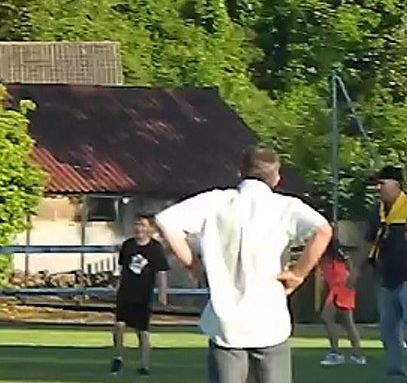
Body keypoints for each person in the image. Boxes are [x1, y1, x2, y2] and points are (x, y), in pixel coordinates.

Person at [154, 146, 332, 383]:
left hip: (226, 323)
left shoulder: (216, 201)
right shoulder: (285, 206)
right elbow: (323, 230)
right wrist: (298, 273)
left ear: (240, 172)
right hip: (269, 318)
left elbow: (165, 221)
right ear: (277, 178)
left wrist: (193, 264)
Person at [347, 166, 407, 380]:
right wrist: (356, 270)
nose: (378, 188)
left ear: (397, 185)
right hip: (386, 277)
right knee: (388, 331)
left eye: (382, 183)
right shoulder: (377, 210)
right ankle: (396, 371)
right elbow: (367, 241)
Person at [110, 214, 170, 376]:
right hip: (126, 292)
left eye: (143, 225)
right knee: (119, 326)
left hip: (143, 294)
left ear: (150, 228)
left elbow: (162, 272)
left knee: (142, 331)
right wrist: (118, 285)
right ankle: (118, 358)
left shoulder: (155, 248)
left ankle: (144, 365)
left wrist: (162, 294)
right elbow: (123, 269)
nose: (139, 228)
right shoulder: (128, 245)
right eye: (137, 224)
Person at [318, 237, 365, 367]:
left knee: (327, 317)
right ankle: (357, 355)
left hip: (341, 287)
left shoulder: (332, 250)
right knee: (347, 322)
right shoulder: (327, 251)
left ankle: (336, 353)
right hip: (338, 287)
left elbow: (348, 262)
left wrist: (350, 281)